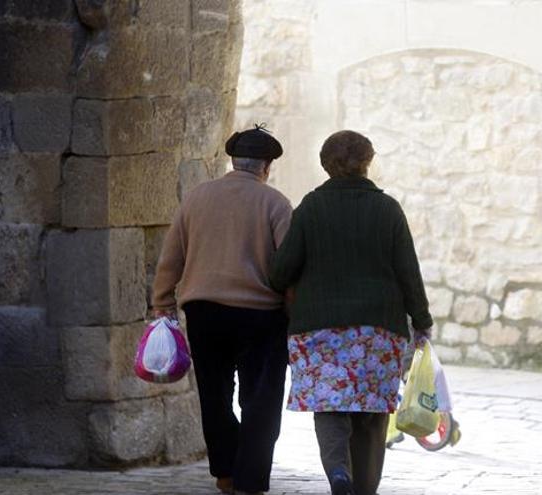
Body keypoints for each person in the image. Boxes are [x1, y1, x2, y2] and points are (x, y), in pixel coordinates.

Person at [269, 130, 433, 495]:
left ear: (326, 165)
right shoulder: (387, 209)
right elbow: (408, 270)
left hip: (320, 327)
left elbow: (281, 272)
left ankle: (338, 473)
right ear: (367, 162)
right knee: (372, 412)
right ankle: (365, 487)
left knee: (330, 406)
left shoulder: (311, 207)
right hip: (379, 328)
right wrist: (422, 321)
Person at [152, 125, 292, 495]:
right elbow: (288, 265)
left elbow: (172, 256)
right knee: (260, 400)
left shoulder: (197, 198)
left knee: (213, 395)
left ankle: (225, 473)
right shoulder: (275, 203)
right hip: (261, 314)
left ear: (233, 161)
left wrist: (162, 301)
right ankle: (251, 479)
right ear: (266, 166)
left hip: (205, 312)